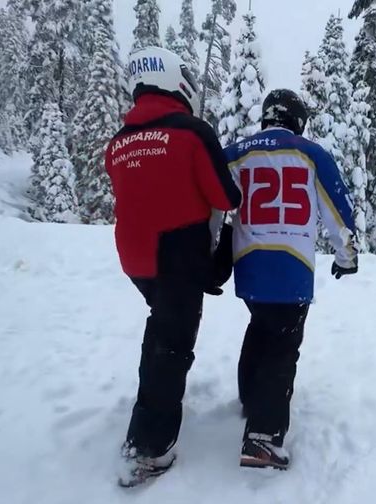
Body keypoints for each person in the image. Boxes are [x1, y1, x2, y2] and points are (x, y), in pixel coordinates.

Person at [105, 47, 242, 486]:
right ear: (175, 81)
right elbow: (227, 197)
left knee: (162, 327)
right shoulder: (191, 132)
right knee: (172, 344)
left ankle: (150, 417)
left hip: (134, 257)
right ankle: (148, 448)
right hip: (177, 254)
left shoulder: (118, 143)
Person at [222, 89, 359, 470]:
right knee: (282, 347)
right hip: (292, 268)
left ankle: (251, 399)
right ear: (297, 120)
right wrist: (347, 257)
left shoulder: (236, 152)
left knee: (260, 326)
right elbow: (338, 212)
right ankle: (263, 438)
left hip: (248, 264)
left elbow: (213, 200)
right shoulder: (312, 154)